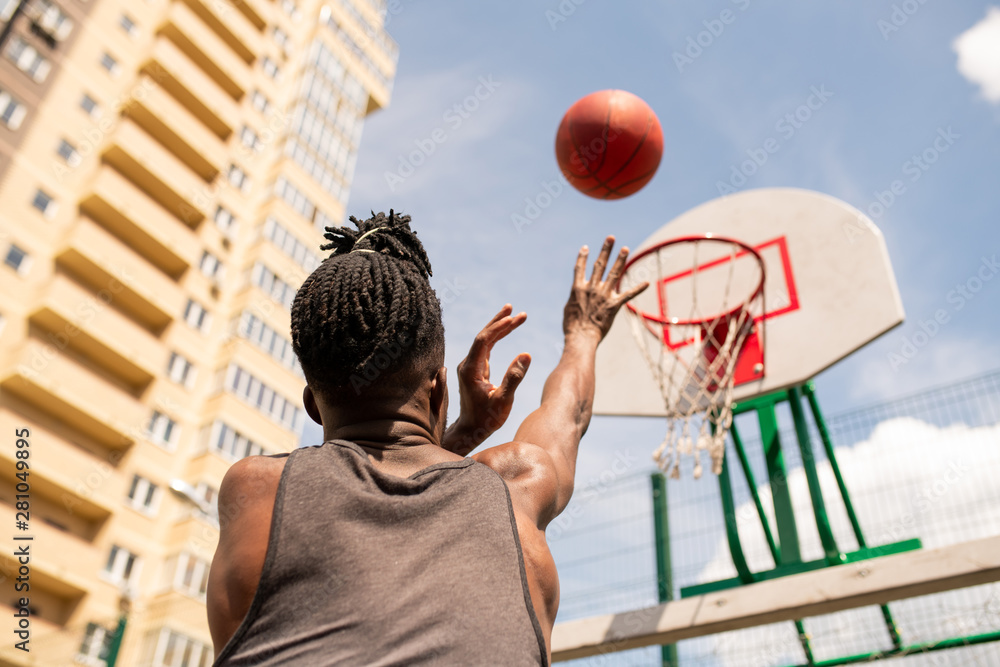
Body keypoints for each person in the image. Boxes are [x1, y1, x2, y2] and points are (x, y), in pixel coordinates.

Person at [206, 211, 647, 665]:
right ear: (438, 388)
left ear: (313, 408)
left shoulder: (257, 492)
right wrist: (584, 330)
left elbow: (381, 484)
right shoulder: (517, 484)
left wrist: (461, 433)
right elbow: (567, 415)